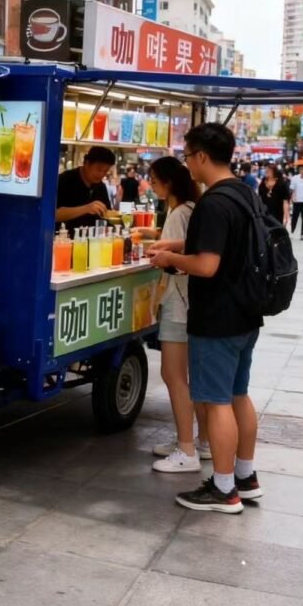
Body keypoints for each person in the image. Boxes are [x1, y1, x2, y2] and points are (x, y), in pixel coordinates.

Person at [149, 123, 263, 513]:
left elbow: (207, 265)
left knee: (216, 403)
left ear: (201, 156)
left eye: (188, 156)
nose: (187, 165)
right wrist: (178, 243)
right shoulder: (244, 193)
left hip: (218, 317)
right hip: (246, 312)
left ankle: (224, 489)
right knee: (238, 395)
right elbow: (224, 244)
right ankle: (246, 477)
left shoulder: (213, 203)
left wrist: (170, 258)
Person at [136, 157, 210, 472]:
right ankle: (200, 441)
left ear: (167, 182)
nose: (151, 186)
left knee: (173, 375)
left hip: (180, 302)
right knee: (193, 379)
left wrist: (162, 254)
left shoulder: (179, 213)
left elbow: (180, 256)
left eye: (153, 181)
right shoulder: (192, 208)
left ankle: (186, 449)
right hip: (194, 302)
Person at [55, 146, 115, 235]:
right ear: (87, 163)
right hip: (65, 239)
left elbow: (106, 215)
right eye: (99, 169)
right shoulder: (64, 180)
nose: (102, 174)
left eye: (106, 171)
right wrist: (86, 208)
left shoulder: (101, 186)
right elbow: (54, 214)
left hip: (94, 240)